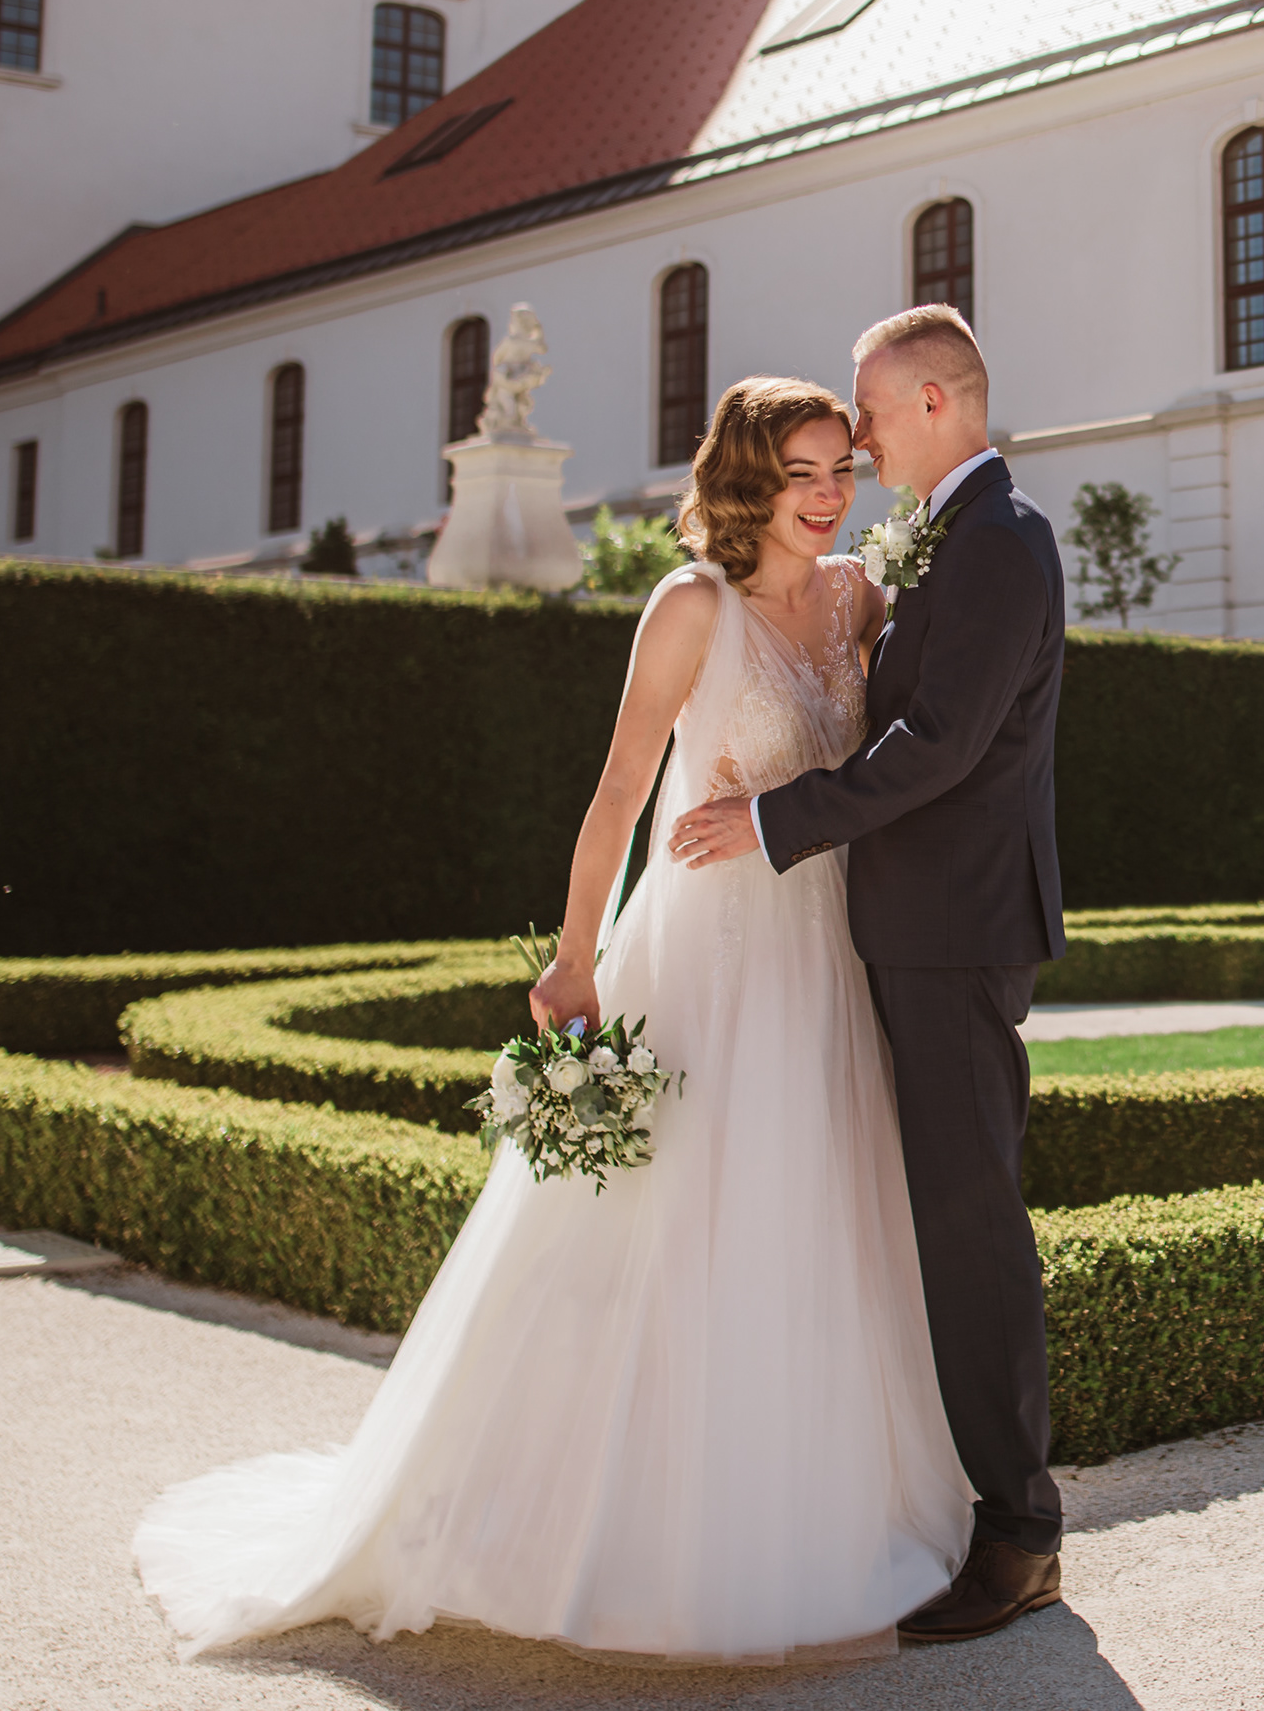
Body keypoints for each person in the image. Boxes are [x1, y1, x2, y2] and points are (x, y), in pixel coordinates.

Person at [132, 377, 970, 1665]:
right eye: (800, 472)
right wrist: (576, 960)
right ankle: (603, 1527)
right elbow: (621, 792)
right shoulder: (691, 605)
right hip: (705, 954)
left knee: (813, 1212)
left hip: (822, 951)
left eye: (839, 470)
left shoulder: (857, 598)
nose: (826, 495)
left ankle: (810, 1509)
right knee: (662, 1223)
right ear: (746, 480)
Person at [669, 301, 1072, 1643]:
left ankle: (1020, 1535)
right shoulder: (949, 536)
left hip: (956, 930)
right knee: (937, 1223)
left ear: (935, 405)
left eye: (872, 415)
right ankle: (973, 1506)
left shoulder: (1000, 539)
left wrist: (777, 822)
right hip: (917, 924)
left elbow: (942, 744)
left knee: (969, 1225)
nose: (860, 442)